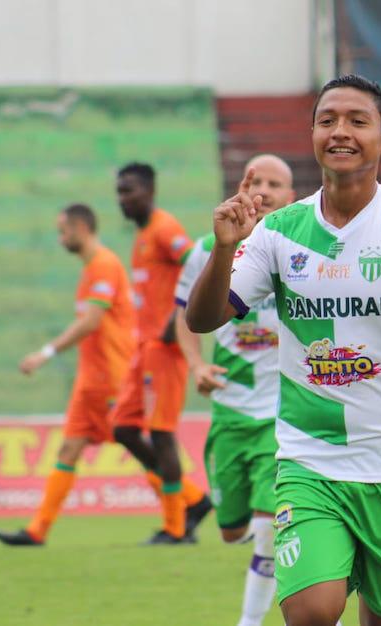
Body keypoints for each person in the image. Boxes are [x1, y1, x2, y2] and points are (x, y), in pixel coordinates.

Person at [187, 74, 381, 626]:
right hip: (310, 458)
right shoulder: (280, 231)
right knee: (310, 612)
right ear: (312, 134)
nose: (340, 132)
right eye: (327, 120)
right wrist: (225, 249)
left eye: (357, 121)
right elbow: (203, 318)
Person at [175, 154, 295, 626]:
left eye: (276, 183)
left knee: (268, 532)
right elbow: (183, 315)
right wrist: (196, 365)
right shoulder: (208, 249)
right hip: (229, 414)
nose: (264, 189)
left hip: (280, 415)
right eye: (256, 180)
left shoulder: (299, 248)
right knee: (232, 533)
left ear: (291, 196)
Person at [0, 204, 136, 546]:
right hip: (91, 380)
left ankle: (187, 505)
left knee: (139, 446)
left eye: (64, 231)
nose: (60, 238)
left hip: (110, 377)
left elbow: (92, 321)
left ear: (82, 228)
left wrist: (45, 353)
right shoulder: (92, 268)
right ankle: (36, 530)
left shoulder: (103, 264)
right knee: (69, 450)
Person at [111, 162, 212, 544]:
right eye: (119, 191)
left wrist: (178, 320)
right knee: (122, 427)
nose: (123, 199)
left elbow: (199, 265)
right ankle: (192, 499)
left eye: (130, 191)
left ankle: (175, 527)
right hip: (144, 347)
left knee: (161, 433)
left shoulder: (165, 229)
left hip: (165, 349)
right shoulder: (141, 236)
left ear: (150, 192)